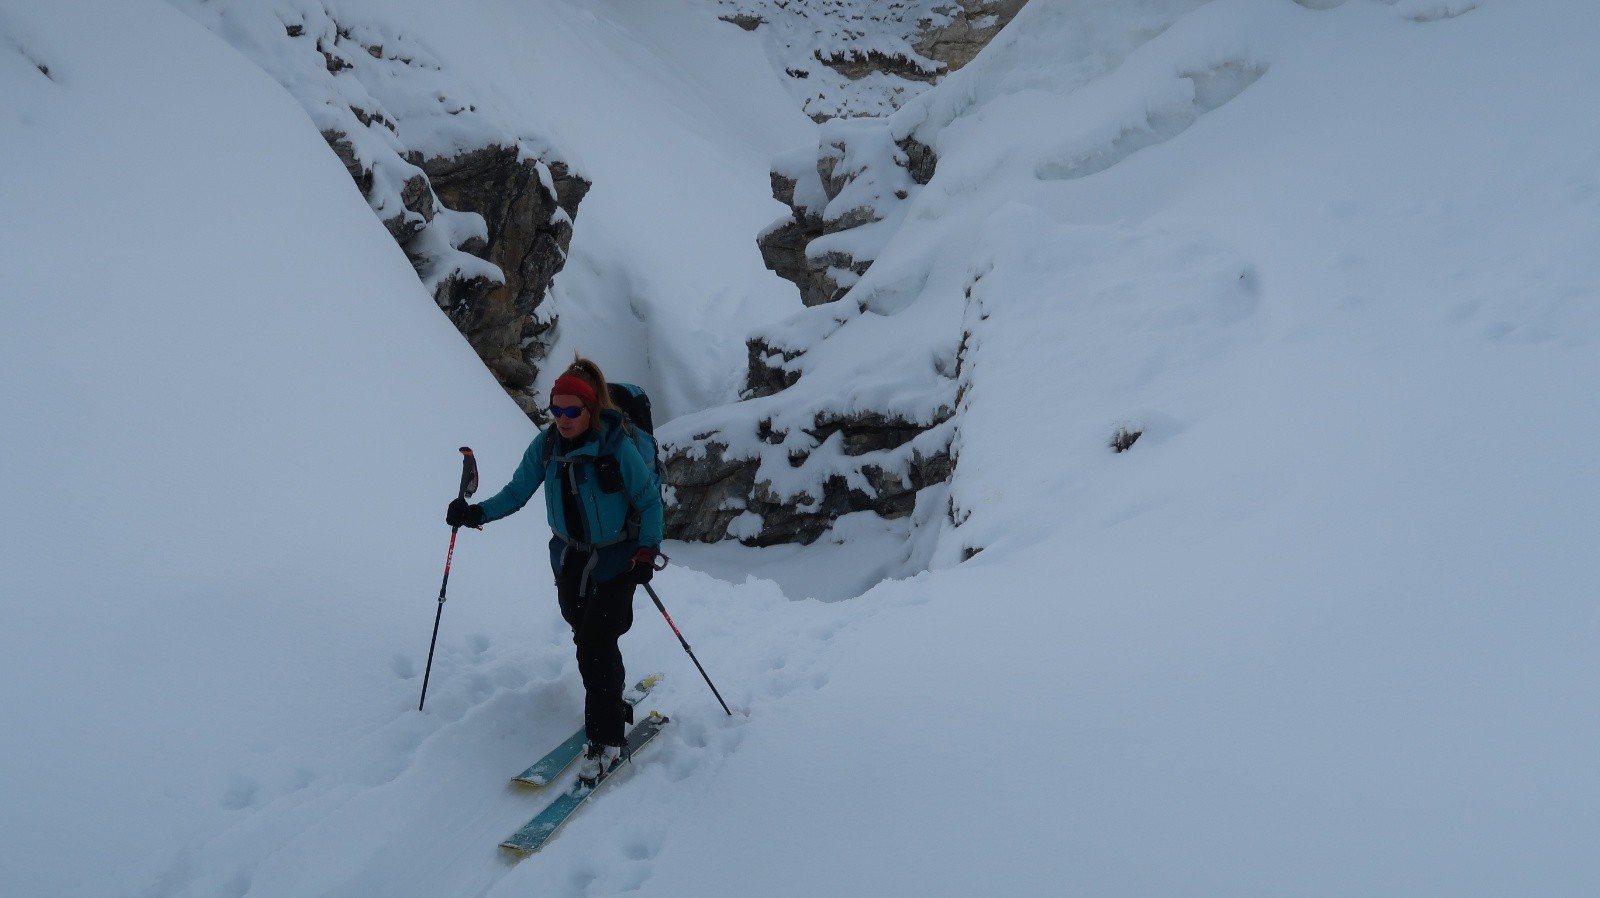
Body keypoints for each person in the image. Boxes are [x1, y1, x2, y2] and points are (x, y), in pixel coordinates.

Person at [447, 357, 664, 782]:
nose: (562, 418)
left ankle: (606, 741)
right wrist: (474, 514)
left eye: (572, 410)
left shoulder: (617, 447)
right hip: (569, 559)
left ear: (591, 409)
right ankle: (610, 699)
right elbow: (516, 493)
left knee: (595, 643)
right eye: (556, 409)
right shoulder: (546, 446)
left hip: (618, 560)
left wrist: (646, 553)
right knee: (587, 638)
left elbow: (650, 501)